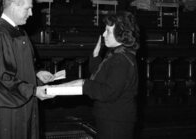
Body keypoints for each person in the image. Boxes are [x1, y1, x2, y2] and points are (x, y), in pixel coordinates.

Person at [0, 0, 55, 139]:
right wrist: (33, 91)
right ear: (14, 6)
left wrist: (36, 74)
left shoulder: (19, 32)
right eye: (28, 8)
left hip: (22, 105)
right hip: (7, 111)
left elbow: (15, 67)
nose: (31, 13)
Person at [55, 11, 140, 139]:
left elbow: (108, 92)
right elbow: (100, 77)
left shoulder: (120, 59)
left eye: (108, 31)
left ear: (121, 34)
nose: (104, 34)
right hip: (112, 117)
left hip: (115, 121)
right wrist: (95, 56)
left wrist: (84, 84)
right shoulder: (118, 54)